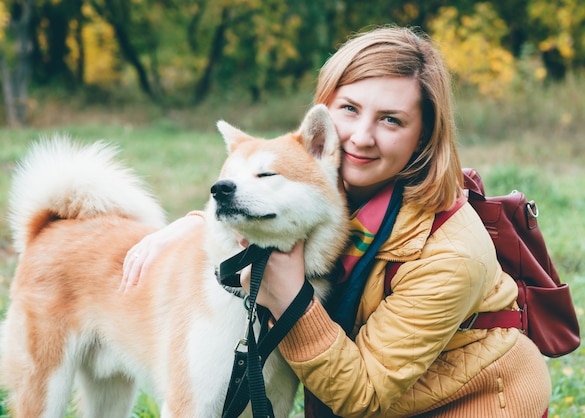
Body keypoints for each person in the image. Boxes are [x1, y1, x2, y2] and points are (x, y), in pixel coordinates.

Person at [122, 25, 552, 417]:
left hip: (475, 400)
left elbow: (361, 395)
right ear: (324, 111)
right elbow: (269, 196)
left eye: (391, 120)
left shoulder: (451, 254)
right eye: (349, 108)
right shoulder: (336, 180)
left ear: (423, 135)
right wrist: (200, 221)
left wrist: (291, 300)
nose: (361, 137)